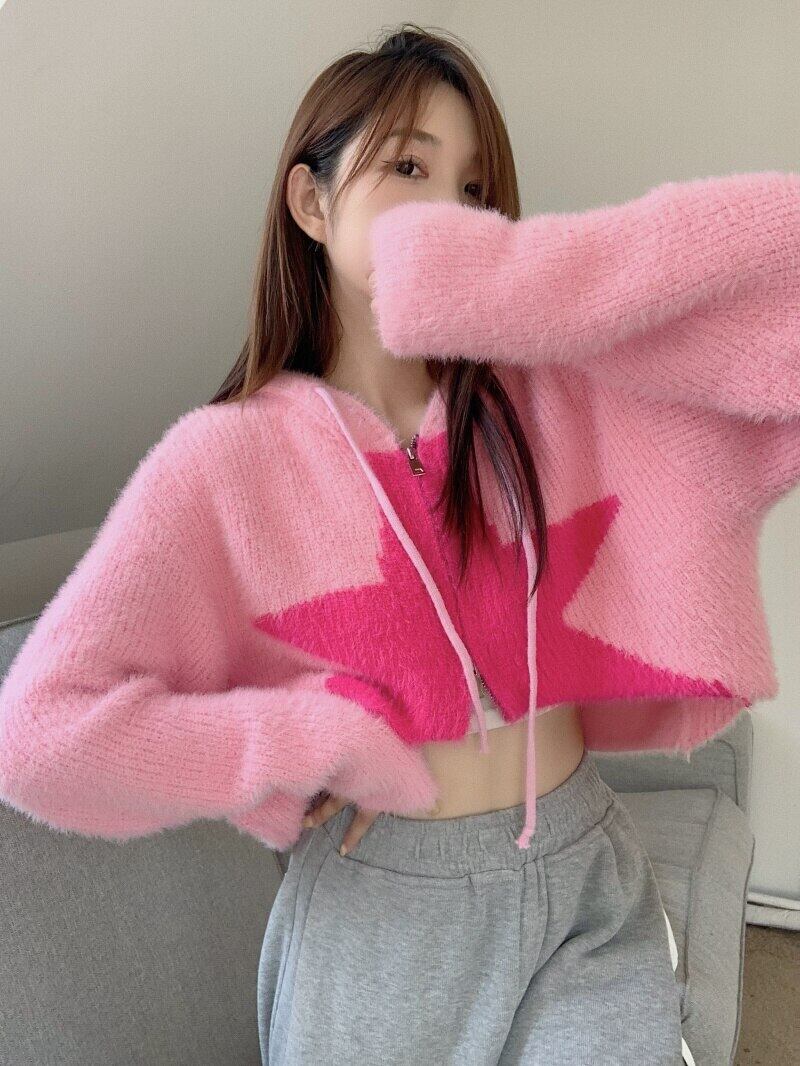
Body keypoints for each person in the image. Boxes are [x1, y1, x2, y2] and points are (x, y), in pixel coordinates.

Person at [2, 21, 798, 1066]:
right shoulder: (225, 461)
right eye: (409, 169)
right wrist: (297, 736)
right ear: (311, 202)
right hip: (383, 920)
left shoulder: (550, 399)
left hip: (583, 876)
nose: (449, 213)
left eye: (473, 189)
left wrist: (537, 286)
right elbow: (39, 735)